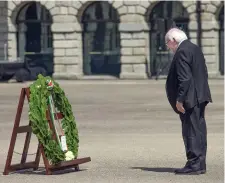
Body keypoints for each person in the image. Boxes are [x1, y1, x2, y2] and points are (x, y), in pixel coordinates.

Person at [165, 28, 212, 175]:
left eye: (167, 43)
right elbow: (203, 71)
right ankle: (200, 163)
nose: (168, 47)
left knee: (191, 131)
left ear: (173, 40)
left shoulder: (182, 51)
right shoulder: (194, 48)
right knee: (199, 130)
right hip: (199, 96)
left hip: (190, 98)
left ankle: (194, 164)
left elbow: (184, 79)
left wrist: (179, 100)